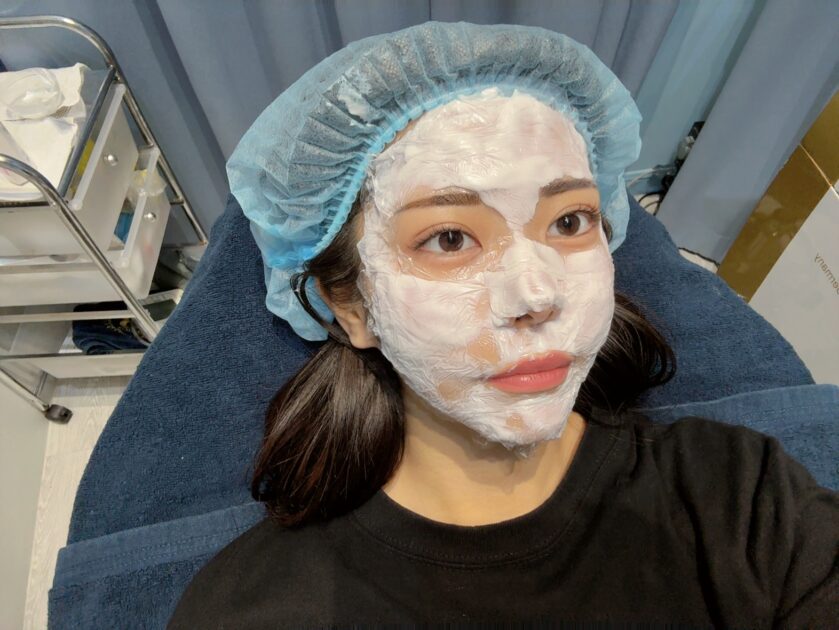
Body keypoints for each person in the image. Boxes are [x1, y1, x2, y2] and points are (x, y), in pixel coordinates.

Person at [168, 22, 838, 627]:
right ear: (350, 307)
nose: (537, 295)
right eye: (450, 238)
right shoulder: (255, 609)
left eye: (570, 221)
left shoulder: (740, 497)